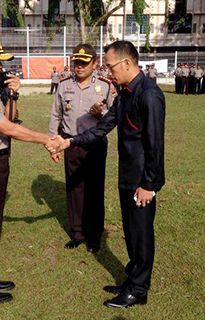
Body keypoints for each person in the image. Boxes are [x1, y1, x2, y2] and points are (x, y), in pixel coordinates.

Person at [49, 40, 165, 308]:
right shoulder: (125, 92)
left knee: (141, 233)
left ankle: (138, 289)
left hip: (141, 180)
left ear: (127, 62)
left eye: (111, 66)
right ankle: (132, 278)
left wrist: (149, 184)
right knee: (131, 230)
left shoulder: (148, 95)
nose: (108, 72)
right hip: (127, 174)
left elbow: (156, 146)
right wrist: (70, 141)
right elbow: (102, 128)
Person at [0, 39, 63, 305]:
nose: (1, 66)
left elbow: (10, 117)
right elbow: (9, 128)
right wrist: (47, 139)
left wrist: (13, 94)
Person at [48, 43, 116, 253]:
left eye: (84, 63)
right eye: (76, 62)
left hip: (94, 145)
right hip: (71, 143)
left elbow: (115, 116)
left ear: (94, 64)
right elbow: (56, 115)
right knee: (74, 188)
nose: (79, 67)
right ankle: (77, 233)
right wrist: (53, 143)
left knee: (94, 190)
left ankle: (94, 236)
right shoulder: (64, 84)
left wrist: (100, 114)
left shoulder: (105, 85)